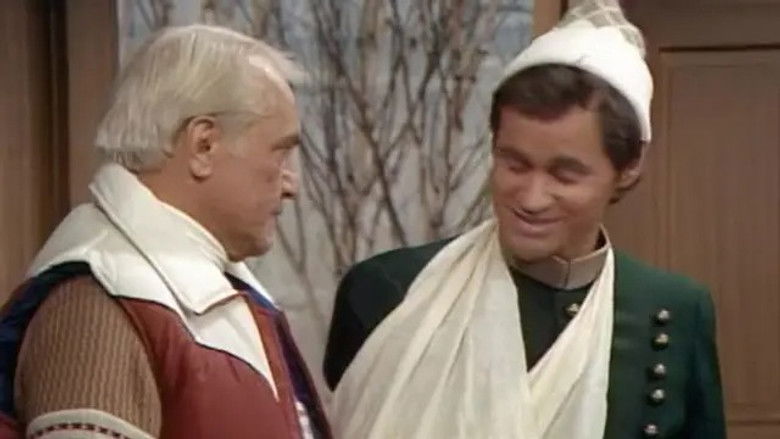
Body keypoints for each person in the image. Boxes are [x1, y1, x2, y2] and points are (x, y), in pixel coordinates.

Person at [323, 1, 726, 438]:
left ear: (627, 169)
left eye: (564, 175)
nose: (532, 199)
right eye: (514, 165)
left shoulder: (672, 310)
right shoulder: (388, 291)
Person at [0, 24, 330, 439]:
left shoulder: (205, 299)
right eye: (280, 153)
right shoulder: (97, 305)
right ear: (204, 145)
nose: (291, 184)